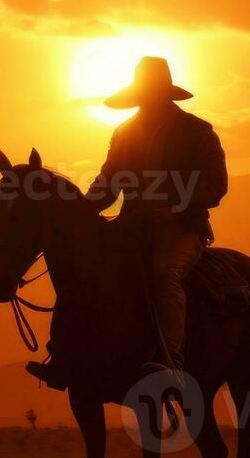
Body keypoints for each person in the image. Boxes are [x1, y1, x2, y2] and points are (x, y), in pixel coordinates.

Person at [27, 57, 228, 388]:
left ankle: (171, 362)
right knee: (84, 272)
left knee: (165, 276)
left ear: (163, 93)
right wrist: (78, 210)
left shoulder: (197, 132)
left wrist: (175, 208)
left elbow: (215, 184)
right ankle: (64, 355)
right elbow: (108, 185)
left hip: (181, 230)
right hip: (131, 229)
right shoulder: (125, 134)